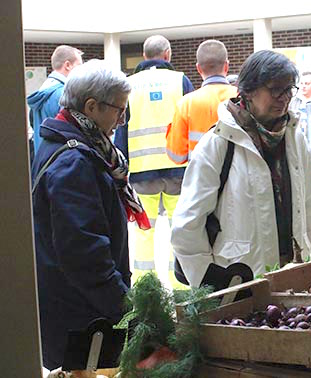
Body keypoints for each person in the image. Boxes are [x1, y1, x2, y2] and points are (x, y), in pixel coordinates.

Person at [171, 50, 311, 287]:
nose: (284, 98)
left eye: (289, 89)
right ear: (249, 91)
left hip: (296, 277)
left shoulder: (295, 138)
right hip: (240, 284)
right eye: (276, 89)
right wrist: (211, 286)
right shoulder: (218, 143)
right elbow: (188, 225)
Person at [31, 60, 148, 370]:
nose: (122, 120)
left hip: (77, 308)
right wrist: (127, 311)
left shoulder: (67, 144)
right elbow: (86, 255)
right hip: (81, 318)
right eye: (119, 110)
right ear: (92, 106)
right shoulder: (75, 162)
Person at [114, 35, 194, 289]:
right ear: (168, 54)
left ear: (144, 56)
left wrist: (121, 170)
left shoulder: (128, 85)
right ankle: (180, 286)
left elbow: (121, 130)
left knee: (143, 231)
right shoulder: (180, 81)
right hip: (178, 170)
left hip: (140, 172)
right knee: (179, 230)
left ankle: (146, 288)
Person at [166, 39, 237, 165]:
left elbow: (177, 156)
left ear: (198, 68)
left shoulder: (186, 104)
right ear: (226, 66)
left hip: (201, 177)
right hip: (238, 177)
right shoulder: (241, 97)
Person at [27, 45, 83, 152]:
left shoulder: (43, 89)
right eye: (79, 65)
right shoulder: (65, 94)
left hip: (43, 157)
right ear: (67, 65)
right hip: (62, 159)